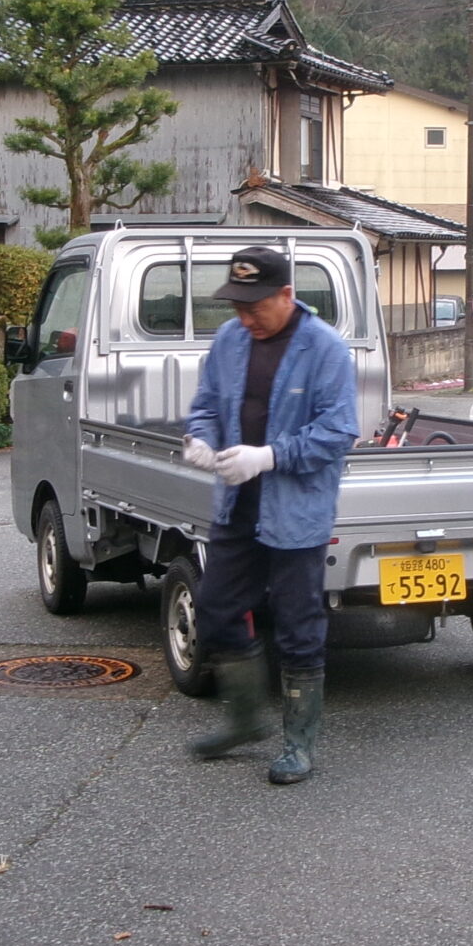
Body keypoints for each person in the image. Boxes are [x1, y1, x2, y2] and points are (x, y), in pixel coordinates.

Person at [181, 245, 362, 786]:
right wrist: (201, 440)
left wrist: (271, 455)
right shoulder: (231, 340)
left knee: (298, 626)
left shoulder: (325, 348)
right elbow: (208, 404)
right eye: (237, 305)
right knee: (215, 610)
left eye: (255, 305)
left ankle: (298, 744)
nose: (245, 317)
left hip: (296, 511)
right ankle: (244, 721)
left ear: (287, 295)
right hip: (238, 504)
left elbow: (339, 430)